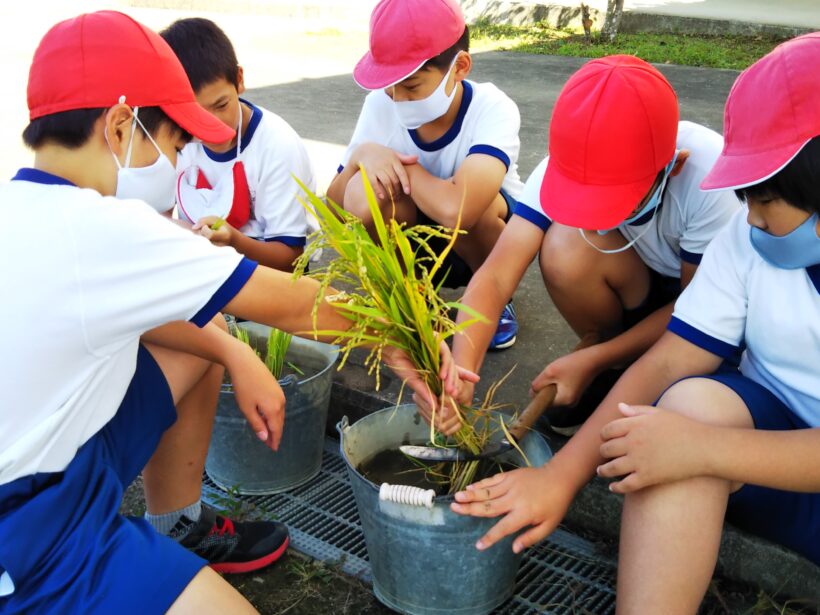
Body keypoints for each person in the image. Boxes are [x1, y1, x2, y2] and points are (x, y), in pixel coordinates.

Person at [0, 12, 467, 614]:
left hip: (56, 457)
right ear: (120, 126)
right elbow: (298, 303)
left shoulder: (22, 205)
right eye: (172, 143)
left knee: (204, 332)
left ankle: (176, 528)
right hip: (29, 530)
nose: (177, 162)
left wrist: (233, 350)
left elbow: (145, 315)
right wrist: (407, 331)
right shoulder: (104, 228)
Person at [450, 33, 820, 613]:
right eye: (746, 196)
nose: (748, 217)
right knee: (682, 408)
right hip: (769, 443)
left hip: (783, 460)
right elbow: (674, 356)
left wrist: (705, 451)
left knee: (682, 434)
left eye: (765, 199)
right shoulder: (750, 240)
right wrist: (563, 476)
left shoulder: (711, 203)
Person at [422, 55, 740, 437]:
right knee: (563, 248)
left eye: (614, 198)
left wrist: (594, 358)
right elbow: (494, 277)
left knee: (689, 403)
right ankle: (617, 364)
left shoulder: (710, 178)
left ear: (672, 166)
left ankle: (617, 364)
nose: (599, 214)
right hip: (632, 283)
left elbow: (695, 310)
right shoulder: (566, 164)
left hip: (699, 302)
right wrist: (462, 368)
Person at [326, 0, 523, 350]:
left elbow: (458, 211)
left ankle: (490, 295)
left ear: (460, 67)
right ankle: (412, 294)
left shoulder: (492, 108)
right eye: (390, 86)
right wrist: (360, 157)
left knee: (478, 203)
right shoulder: (380, 104)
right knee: (365, 188)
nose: (397, 98)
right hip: (414, 239)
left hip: (479, 242)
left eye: (412, 86)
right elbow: (335, 207)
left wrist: (403, 167)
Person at [161, 17, 316, 272]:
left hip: (269, 274)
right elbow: (159, 217)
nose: (214, 124)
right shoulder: (173, 140)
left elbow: (291, 259)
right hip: (200, 267)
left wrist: (235, 241)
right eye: (196, 115)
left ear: (239, 80)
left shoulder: (277, 145)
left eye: (222, 105)